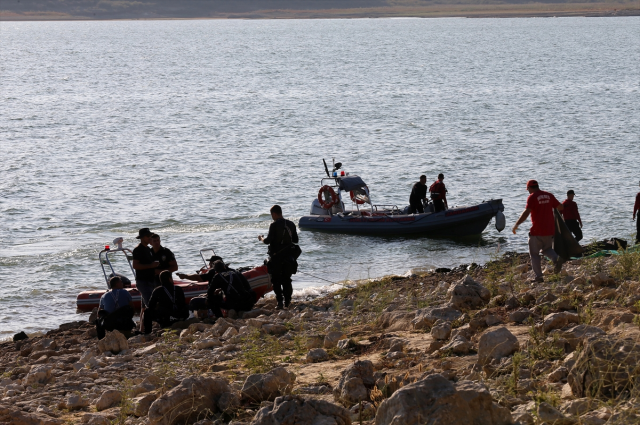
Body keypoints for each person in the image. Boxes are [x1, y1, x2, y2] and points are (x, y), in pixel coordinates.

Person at [512, 180, 565, 283]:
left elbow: (526, 212)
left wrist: (516, 224)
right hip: (550, 230)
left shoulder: (532, 197)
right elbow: (560, 207)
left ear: (529, 188)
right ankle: (556, 258)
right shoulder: (549, 195)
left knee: (534, 254)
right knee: (547, 249)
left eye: (528, 189)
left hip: (537, 230)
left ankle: (539, 277)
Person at [258, 205, 299, 310]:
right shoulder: (291, 224)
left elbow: (267, 241)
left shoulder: (274, 225)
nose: (272, 217)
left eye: (272, 215)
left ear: (274, 214)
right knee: (286, 279)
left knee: (276, 280)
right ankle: (288, 301)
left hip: (276, 257)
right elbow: (296, 240)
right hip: (289, 257)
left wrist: (261, 238)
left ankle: (280, 302)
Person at [131, 228, 159, 308]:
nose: (150, 237)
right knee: (151, 304)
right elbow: (135, 265)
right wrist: (151, 266)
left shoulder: (148, 249)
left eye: (150, 235)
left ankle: (143, 320)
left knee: (145, 306)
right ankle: (156, 319)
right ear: (142, 237)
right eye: (148, 236)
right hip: (143, 281)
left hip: (151, 280)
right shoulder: (138, 249)